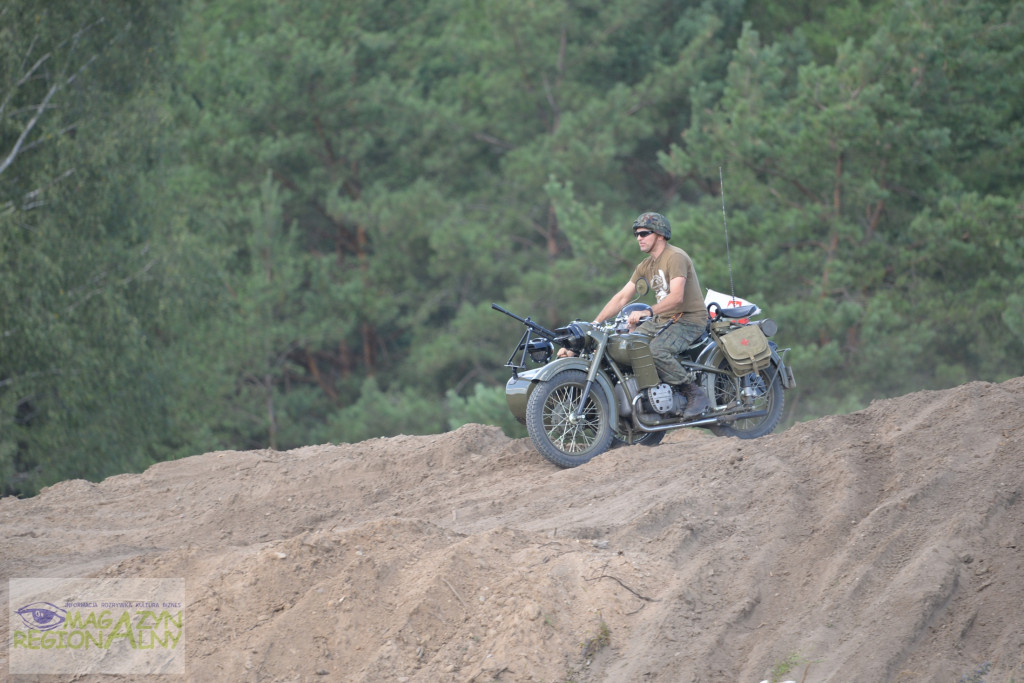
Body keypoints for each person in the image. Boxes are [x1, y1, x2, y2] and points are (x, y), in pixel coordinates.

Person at [561, 212, 710, 417]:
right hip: (665, 319)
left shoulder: (675, 257)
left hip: (689, 318)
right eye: (636, 234)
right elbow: (622, 297)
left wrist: (647, 311)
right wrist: (595, 324)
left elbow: (676, 297)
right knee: (628, 344)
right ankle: (645, 398)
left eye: (644, 233)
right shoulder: (646, 265)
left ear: (660, 234)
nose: (638, 237)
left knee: (656, 351)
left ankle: (693, 392)